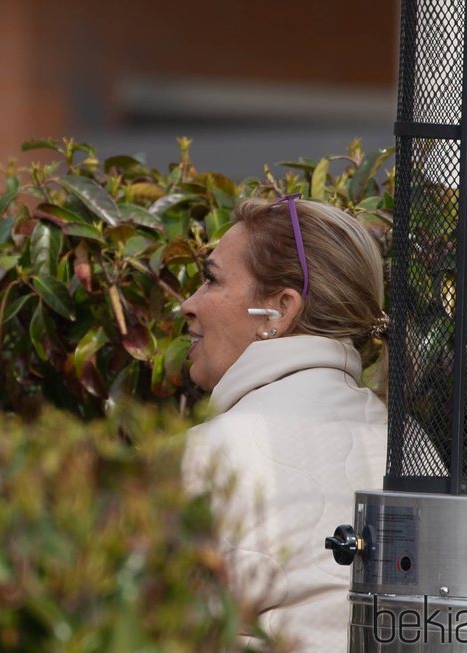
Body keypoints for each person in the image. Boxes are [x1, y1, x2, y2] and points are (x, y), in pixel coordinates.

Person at [181, 195, 388, 651]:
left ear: (279, 310)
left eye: (210, 280)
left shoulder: (205, 455)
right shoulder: (410, 448)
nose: (187, 304)